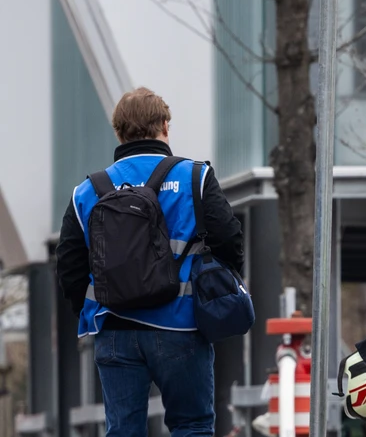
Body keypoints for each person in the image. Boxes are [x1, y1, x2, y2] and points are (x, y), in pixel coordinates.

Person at [55, 87, 244, 437]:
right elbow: (230, 240)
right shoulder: (195, 178)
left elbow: (68, 267)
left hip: (114, 330)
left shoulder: (87, 191)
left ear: (118, 132)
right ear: (165, 126)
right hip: (181, 326)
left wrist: (93, 309)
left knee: (122, 430)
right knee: (192, 425)